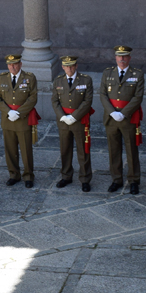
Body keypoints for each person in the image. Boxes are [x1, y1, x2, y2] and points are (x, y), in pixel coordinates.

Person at [100, 45, 144, 195]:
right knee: (114, 150)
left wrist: (123, 113)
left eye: (125, 56)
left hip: (128, 118)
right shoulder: (107, 73)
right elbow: (103, 95)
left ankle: (134, 180)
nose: (122, 59)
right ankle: (116, 179)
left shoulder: (137, 74)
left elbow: (138, 97)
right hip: (111, 118)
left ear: (129, 58)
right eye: (119, 56)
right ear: (115, 57)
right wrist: (113, 112)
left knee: (131, 149)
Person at [0, 54, 40, 188]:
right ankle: (14, 174)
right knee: (10, 149)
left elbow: (32, 98)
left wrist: (19, 113)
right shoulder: (2, 78)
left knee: (26, 149)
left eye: (14, 64)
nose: (12, 67)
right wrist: (8, 112)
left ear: (20, 64)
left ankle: (28, 176)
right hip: (8, 119)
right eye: (9, 65)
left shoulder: (29, 78)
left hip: (23, 119)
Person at [51, 55, 94, 191]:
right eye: (66, 66)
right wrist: (62, 116)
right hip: (63, 121)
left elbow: (87, 101)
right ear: (63, 67)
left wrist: (74, 116)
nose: (69, 68)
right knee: (65, 149)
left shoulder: (86, 80)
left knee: (83, 150)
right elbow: (54, 101)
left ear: (76, 66)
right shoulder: (58, 81)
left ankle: (85, 178)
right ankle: (66, 176)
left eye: (72, 65)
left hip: (79, 120)